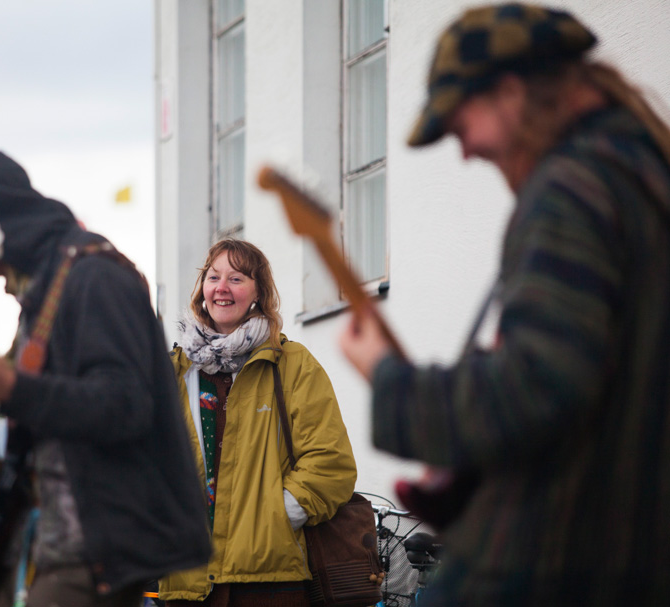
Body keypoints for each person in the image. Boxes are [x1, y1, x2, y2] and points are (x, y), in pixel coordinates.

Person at [339, 3, 670, 606]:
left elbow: (536, 391)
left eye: (460, 126)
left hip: (551, 562)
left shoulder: (567, 191)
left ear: (511, 92)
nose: (464, 153)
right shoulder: (644, 174)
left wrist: (389, 379)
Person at [0, 146, 212, 607]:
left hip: (90, 560)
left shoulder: (95, 276)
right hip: (55, 551)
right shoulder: (47, 290)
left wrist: (13, 387)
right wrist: (5, 505)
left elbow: (125, 405)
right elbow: (59, 438)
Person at [161, 239, 357, 607]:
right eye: (214, 276)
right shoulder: (174, 368)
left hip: (267, 581)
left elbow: (331, 463)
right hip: (187, 580)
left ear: (258, 292)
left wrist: (275, 518)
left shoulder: (292, 363)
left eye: (236, 278)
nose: (222, 288)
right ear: (202, 287)